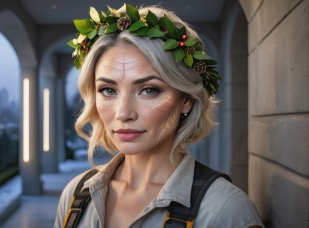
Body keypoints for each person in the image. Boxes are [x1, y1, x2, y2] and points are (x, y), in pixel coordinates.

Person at [55, 4, 264, 228]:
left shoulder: (226, 211)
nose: (123, 113)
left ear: (186, 99)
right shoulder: (74, 196)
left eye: (149, 90)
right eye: (108, 90)